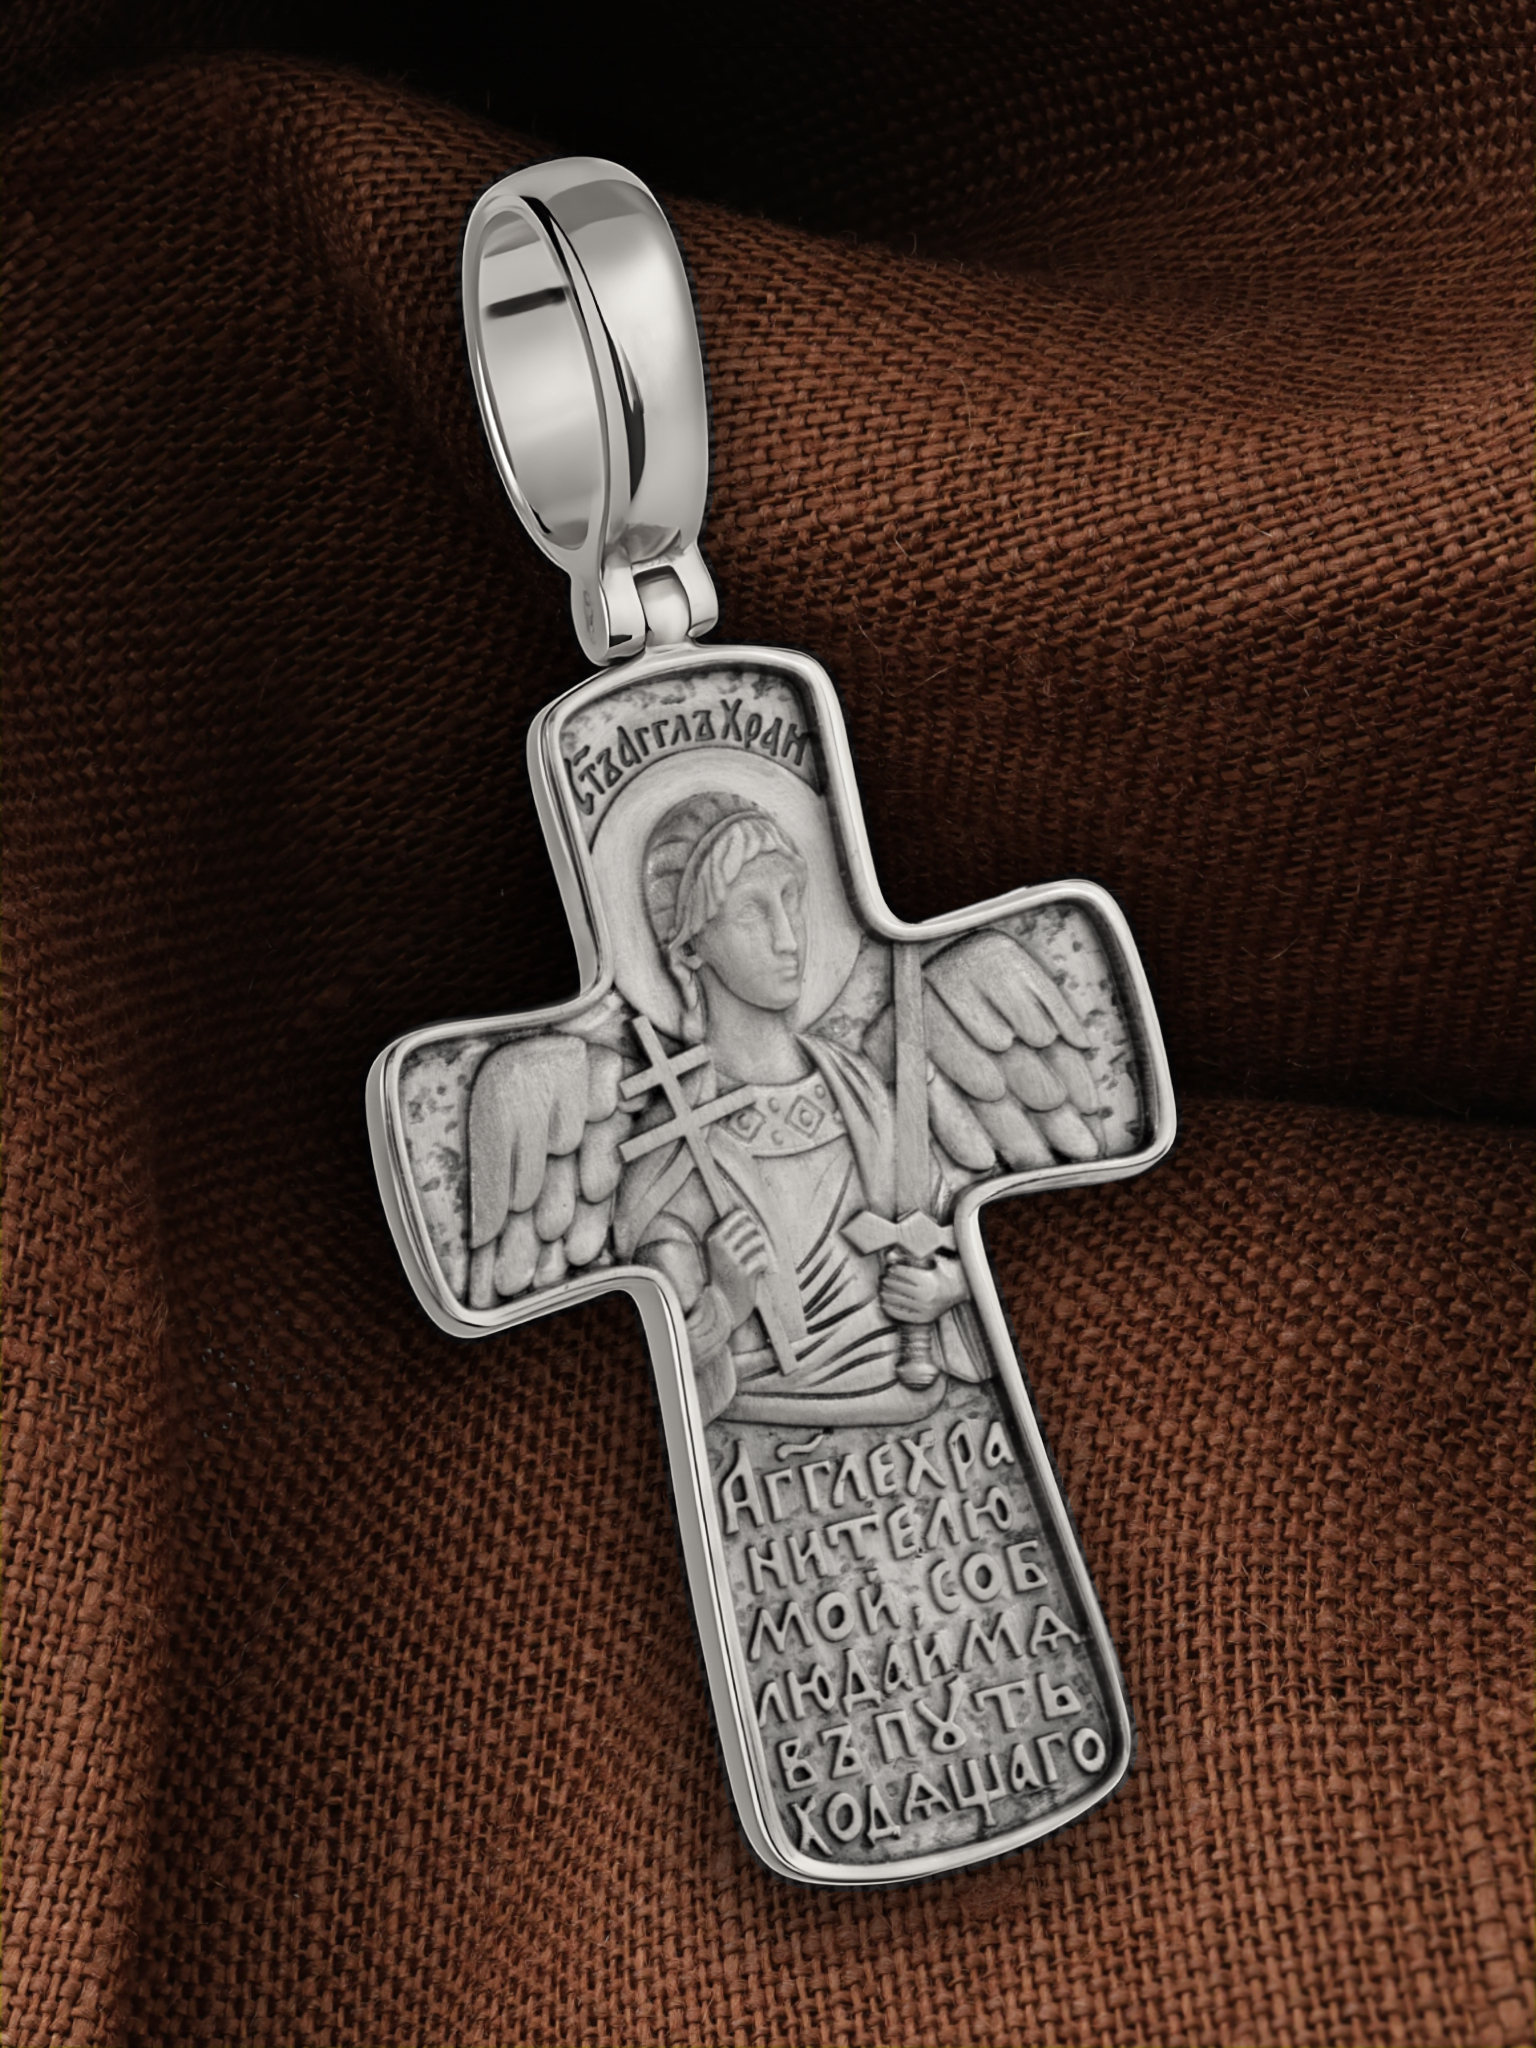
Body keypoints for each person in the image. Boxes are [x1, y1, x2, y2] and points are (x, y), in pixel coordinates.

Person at [612, 792, 986, 1425]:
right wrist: (726, 1304)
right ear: (691, 950)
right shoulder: (670, 1147)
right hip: (763, 1427)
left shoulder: (860, 1092)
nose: (788, 938)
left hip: (911, 1397)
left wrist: (946, 1286)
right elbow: (661, 1363)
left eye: (792, 899)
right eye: (752, 912)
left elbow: (952, 1225)